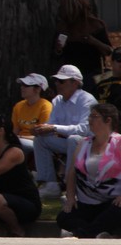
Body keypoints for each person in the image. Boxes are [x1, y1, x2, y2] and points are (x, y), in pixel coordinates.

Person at [33, 65, 97, 200]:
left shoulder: (87, 100)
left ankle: (70, 186)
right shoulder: (57, 100)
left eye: (61, 81)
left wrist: (53, 128)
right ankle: (50, 185)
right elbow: (52, 124)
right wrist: (41, 129)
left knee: (74, 139)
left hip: (91, 144)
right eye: (56, 80)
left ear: (75, 83)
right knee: (40, 139)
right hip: (69, 142)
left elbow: (84, 130)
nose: (57, 84)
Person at [57, 104, 121, 239]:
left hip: (111, 202)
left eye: (94, 116)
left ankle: (80, 234)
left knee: (116, 212)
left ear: (108, 120)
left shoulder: (118, 142)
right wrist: (70, 197)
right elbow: (72, 172)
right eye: (90, 116)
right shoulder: (83, 143)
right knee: (63, 217)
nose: (90, 120)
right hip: (86, 203)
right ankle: (100, 233)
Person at [54, 0, 111, 94]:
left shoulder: (95, 25)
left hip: (92, 73)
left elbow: (108, 51)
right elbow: (55, 56)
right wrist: (58, 49)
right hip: (70, 76)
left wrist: (93, 41)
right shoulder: (63, 28)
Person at [11, 73, 52, 156]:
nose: (22, 87)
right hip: (19, 140)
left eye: (26, 85)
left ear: (38, 89)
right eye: (22, 85)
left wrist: (19, 138)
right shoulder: (18, 106)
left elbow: (43, 137)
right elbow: (15, 130)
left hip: (36, 142)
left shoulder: (46, 106)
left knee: (16, 145)